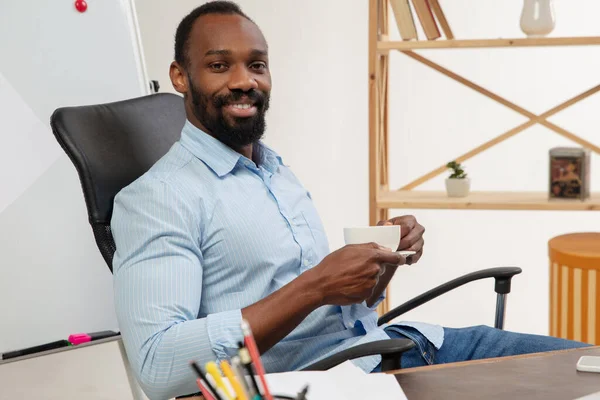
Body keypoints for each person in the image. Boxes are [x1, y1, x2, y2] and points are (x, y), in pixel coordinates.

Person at [110, 2, 588, 399]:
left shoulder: (272, 169)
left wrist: (380, 263)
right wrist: (315, 285)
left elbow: (336, 309)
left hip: (400, 347)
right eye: (219, 65)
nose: (245, 81)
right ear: (179, 76)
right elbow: (155, 365)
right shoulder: (158, 199)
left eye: (256, 65)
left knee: (589, 369)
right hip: (337, 381)